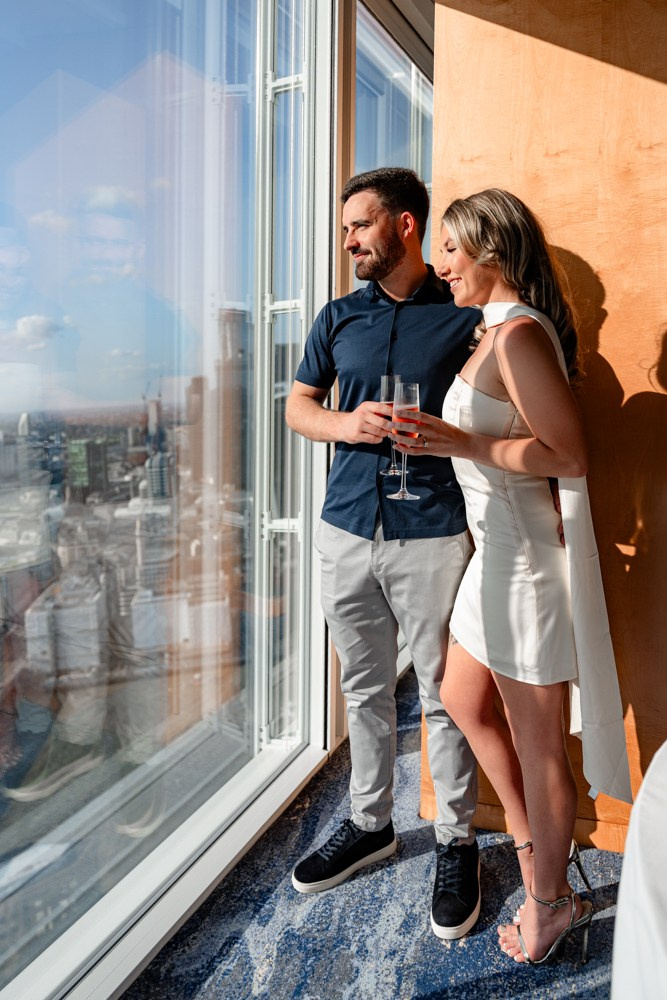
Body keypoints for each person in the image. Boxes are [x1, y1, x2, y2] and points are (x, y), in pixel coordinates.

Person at [392, 188, 632, 963]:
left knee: (537, 747)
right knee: (461, 697)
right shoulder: (490, 334)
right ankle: (535, 848)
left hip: (525, 567)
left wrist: (456, 443)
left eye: (453, 250)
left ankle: (550, 903)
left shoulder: (519, 337)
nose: (442, 265)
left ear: (491, 251)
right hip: (490, 558)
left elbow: (567, 456)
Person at [285, 167, 481, 940]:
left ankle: (458, 838)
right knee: (362, 685)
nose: (347, 242)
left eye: (357, 227)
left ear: (404, 225)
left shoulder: (464, 316)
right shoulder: (337, 316)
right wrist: (345, 425)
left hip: (433, 531)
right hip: (343, 529)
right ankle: (371, 823)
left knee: (445, 694)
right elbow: (299, 405)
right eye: (343, 231)